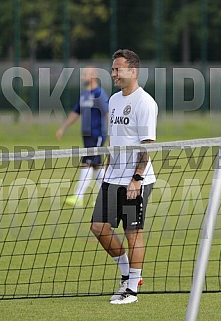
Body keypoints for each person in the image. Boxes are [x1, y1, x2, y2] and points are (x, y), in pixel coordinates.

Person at [90, 49, 158, 304]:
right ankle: (127, 273)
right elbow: (114, 140)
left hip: (135, 181)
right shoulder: (114, 100)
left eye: (118, 69)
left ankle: (131, 289)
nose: (113, 74)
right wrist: (108, 170)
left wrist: (136, 179)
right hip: (112, 178)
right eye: (113, 69)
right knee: (98, 228)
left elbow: (147, 145)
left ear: (133, 71)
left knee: (133, 233)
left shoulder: (145, 103)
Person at [56, 67, 109, 207]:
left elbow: (108, 113)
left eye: (85, 74)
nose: (82, 77)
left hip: (97, 135)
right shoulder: (84, 95)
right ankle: (106, 196)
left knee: (86, 163)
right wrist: (63, 128)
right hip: (86, 136)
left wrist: (113, 133)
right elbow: (75, 113)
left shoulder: (100, 94)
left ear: (94, 76)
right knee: (97, 166)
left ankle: (78, 197)